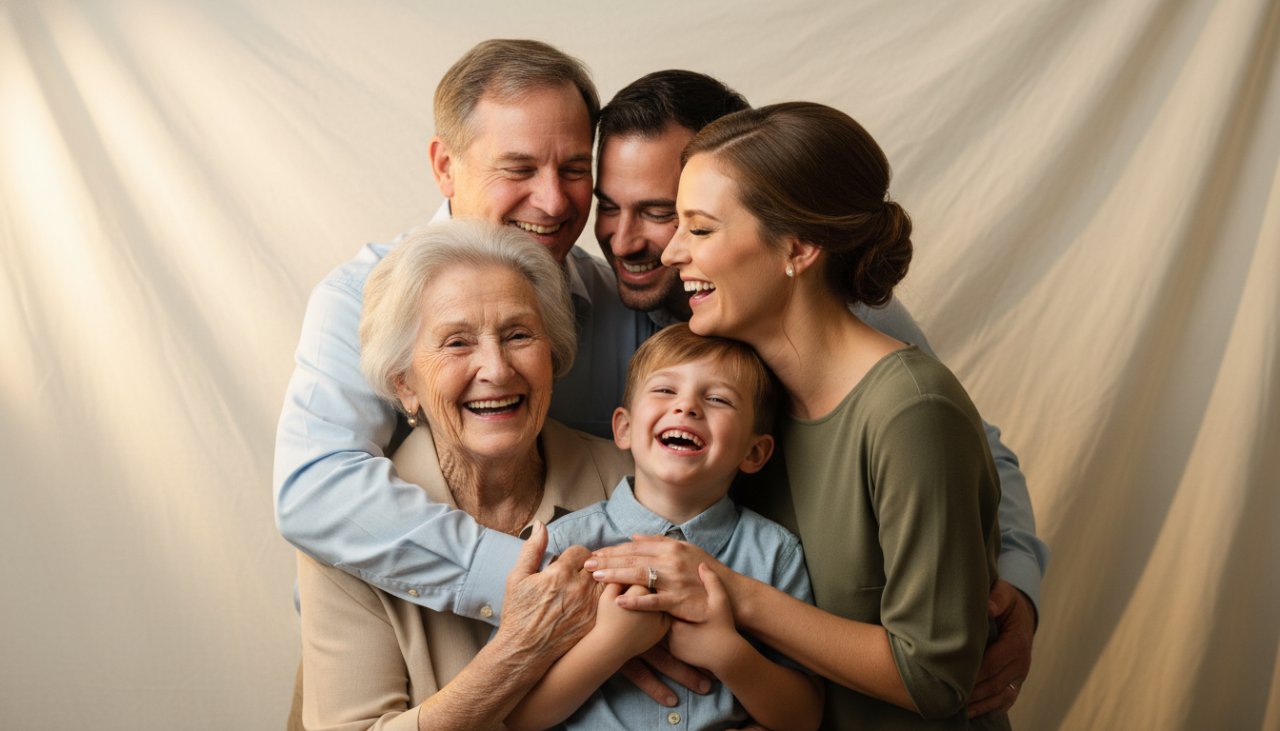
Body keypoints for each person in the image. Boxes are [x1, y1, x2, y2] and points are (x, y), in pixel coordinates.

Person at [591, 70, 1048, 717]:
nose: (669, 253)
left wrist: (728, 590)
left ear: (798, 247)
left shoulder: (909, 407)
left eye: (698, 228)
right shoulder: (742, 396)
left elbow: (935, 677)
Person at [297, 219, 634, 730]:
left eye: (518, 335)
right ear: (404, 385)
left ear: (552, 353)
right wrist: (520, 651)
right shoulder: (346, 538)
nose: (496, 369)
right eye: (457, 343)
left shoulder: (633, 479)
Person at [506, 324, 823, 731]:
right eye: (665, 390)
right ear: (624, 428)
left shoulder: (776, 555)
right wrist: (609, 645)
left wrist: (727, 654)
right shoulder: (565, 546)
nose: (686, 407)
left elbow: (805, 718)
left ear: (754, 451)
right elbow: (516, 715)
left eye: (718, 398)